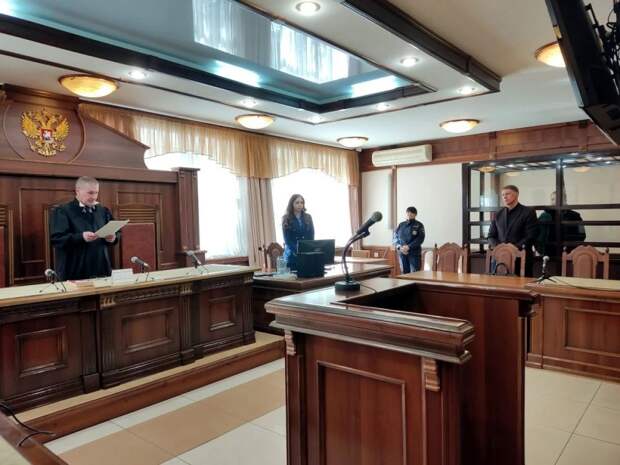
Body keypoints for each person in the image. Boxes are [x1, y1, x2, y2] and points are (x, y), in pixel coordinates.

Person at [50, 176, 120, 280]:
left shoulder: (103, 211)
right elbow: (57, 240)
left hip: (101, 269)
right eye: (90, 193)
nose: (94, 197)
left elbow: (117, 232)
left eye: (96, 193)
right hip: (74, 270)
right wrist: (81, 237)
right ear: (77, 191)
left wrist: (113, 238)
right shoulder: (63, 211)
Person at [487, 185, 538, 276]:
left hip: (521, 258)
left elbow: (531, 236)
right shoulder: (498, 214)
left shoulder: (528, 212)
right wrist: (500, 248)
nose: (504, 197)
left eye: (507, 194)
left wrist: (513, 248)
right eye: (503, 195)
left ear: (516, 195)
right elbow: (491, 236)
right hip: (500, 258)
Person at [536, 191, 586, 256]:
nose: (554, 202)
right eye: (552, 199)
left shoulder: (575, 216)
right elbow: (537, 233)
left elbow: (582, 234)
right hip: (548, 253)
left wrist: (571, 247)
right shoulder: (544, 215)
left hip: (569, 253)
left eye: (557, 199)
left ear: (565, 200)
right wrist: (539, 250)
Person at [282, 194, 314, 271]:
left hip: (306, 252)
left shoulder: (308, 217)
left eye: (301, 202)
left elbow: (311, 235)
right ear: (292, 204)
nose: (300, 205)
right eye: (297, 202)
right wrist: (298, 250)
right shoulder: (286, 218)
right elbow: (287, 240)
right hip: (292, 253)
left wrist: (308, 248)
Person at [393, 206, 425, 273]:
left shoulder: (419, 225)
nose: (409, 214)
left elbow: (420, 238)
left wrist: (408, 247)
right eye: (408, 212)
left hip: (414, 253)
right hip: (402, 253)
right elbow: (395, 238)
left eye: (411, 213)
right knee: (404, 273)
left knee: (415, 274)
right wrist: (399, 247)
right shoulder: (401, 225)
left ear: (415, 214)